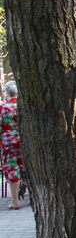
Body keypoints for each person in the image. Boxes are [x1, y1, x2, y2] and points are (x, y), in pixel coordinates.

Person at [1, 81, 26, 210]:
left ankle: (15, 201)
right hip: (25, 141)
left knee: (12, 169)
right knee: (27, 168)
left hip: (8, 144)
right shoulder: (24, 106)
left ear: (7, 93)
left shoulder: (3, 108)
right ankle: (34, 198)